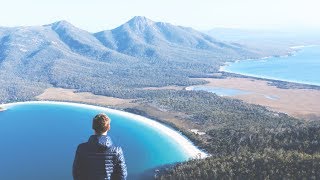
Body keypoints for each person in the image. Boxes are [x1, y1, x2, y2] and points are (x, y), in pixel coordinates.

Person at [73, 113, 127, 180]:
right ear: (108, 127)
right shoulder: (117, 151)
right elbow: (122, 175)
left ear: (93, 126)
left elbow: (76, 172)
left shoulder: (82, 148)